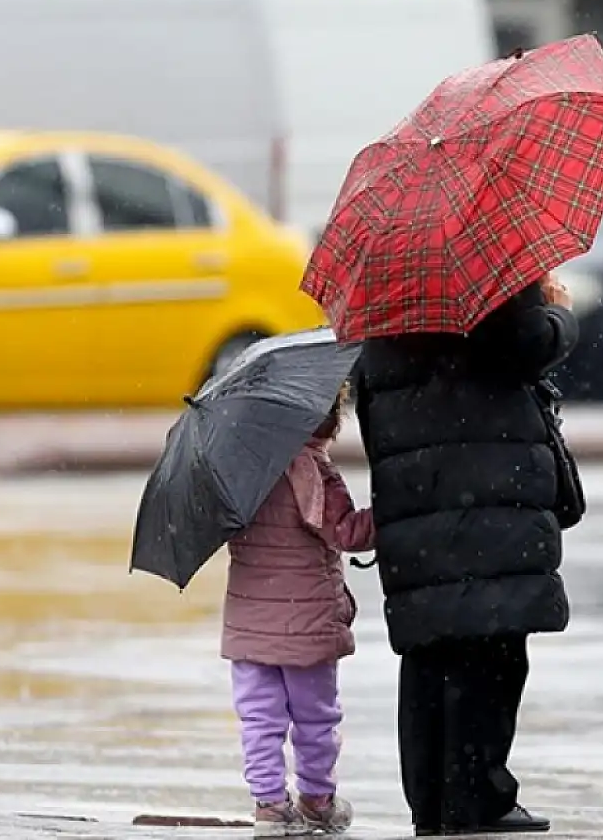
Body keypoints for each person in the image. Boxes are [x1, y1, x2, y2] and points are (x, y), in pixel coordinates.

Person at [352, 272, 584, 836]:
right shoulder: (491, 268)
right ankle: (477, 796)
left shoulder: (384, 283)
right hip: (489, 486)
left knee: (432, 648)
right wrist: (559, 314)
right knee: (493, 647)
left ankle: (432, 800)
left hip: (418, 490)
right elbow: (524, 342)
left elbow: (370, 384)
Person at [221, 388, 375, 837]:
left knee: (259, 717)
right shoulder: (315, 472)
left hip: (249, 623)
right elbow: (346, 533)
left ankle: (268, 805)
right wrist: (387, 518)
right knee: (315, 716)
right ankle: (316, 799)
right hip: (306, 622)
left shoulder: (239, 472)